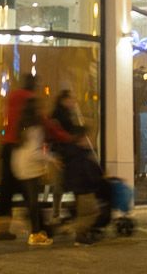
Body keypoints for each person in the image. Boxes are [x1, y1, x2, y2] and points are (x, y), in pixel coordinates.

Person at [0, 73, 72, 240]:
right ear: (34, 85)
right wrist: (67, 137)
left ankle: (0, 229)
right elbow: (45, 123)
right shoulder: (30, 99)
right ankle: (39, 228)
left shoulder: (12, 96)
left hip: (9, 148)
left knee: (7, 192)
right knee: (30, 192)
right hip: (23, 148)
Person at [12, 95, 57, 246]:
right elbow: (34, 152)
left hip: (19, 164)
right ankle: (35, 233)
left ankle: (38, 230)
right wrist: (51, 159)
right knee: (33, 202)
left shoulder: (22, 124)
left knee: (31, 202)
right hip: (30, 167)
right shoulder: (36, 128)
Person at [48, 90, 82, 222]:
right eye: (71, 99)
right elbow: (62, 133)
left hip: (62, 151)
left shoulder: (63, 113)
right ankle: (59, 211)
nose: (73, 102)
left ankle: (59, 211)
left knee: (61, 183)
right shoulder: (60, 115)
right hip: (63, 152)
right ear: (64, 100)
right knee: (61, 182)